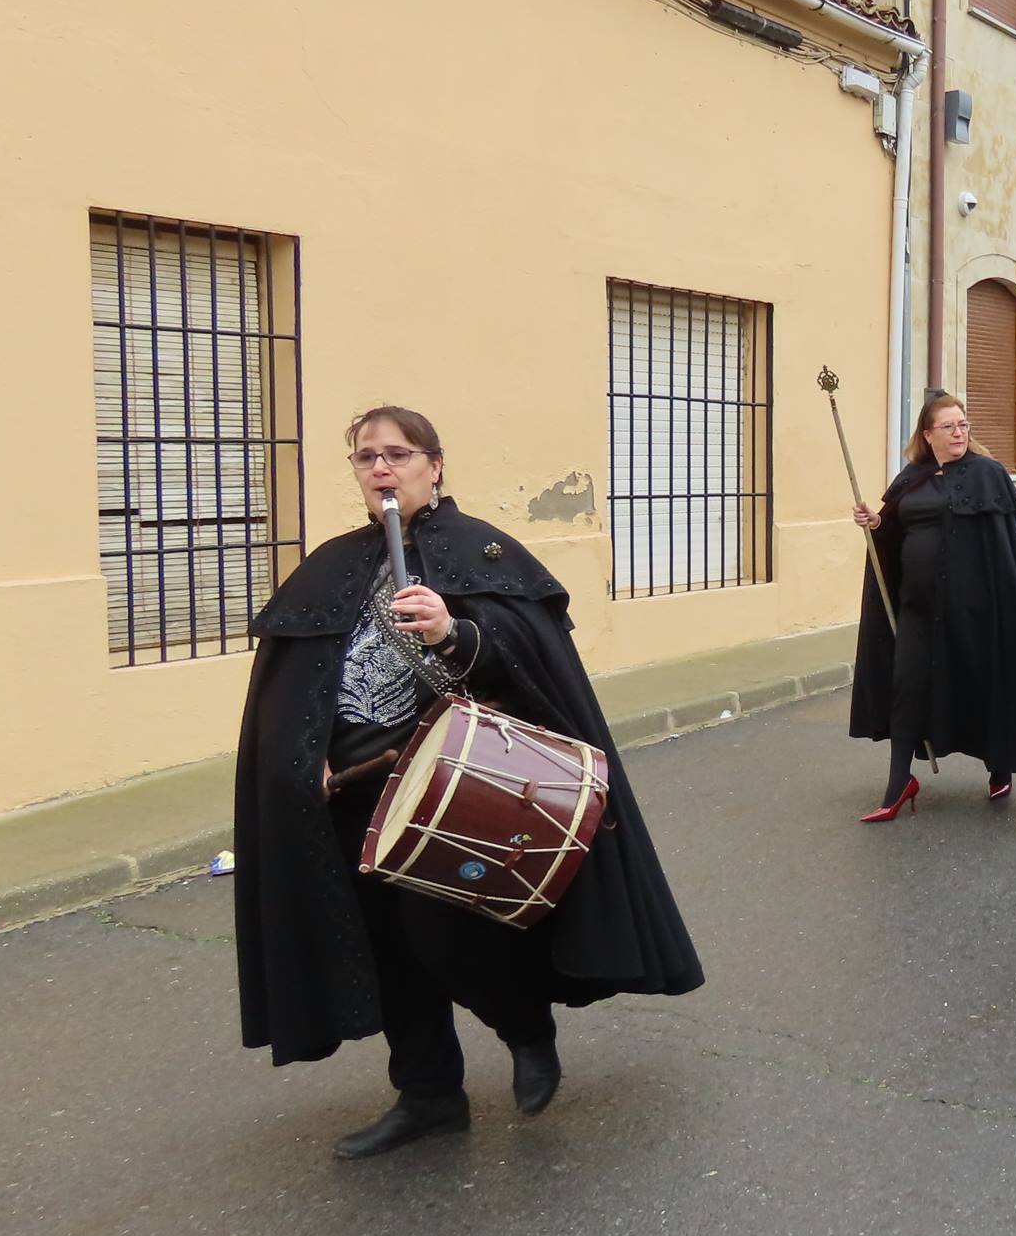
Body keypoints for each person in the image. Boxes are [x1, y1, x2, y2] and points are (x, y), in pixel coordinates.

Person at [233, 405, 703, 1159]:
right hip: (351, 790)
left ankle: (525, 1028)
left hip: (452, 785)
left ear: (434, 465)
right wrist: (299, 754)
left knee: (444, 937)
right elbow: (293, 686)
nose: (381, 468)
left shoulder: (482, 552)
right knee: (383, 946)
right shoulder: (331, 565)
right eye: (366, 457)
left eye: (397, 454)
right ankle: (427, 1097)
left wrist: (456, 630)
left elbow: (530, 659)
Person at [850, 393, 1016, 818]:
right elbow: (893, 531)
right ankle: (898, 783)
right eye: (950, 426)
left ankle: (1000, 769)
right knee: (907, 688)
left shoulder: (988, 474)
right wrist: (877, 524)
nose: (960, 432)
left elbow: (1004, 548)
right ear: (928, 434)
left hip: (975, 610)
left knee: (983, 683)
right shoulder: (912, 477)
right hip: (918, 608)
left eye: (963, 424)